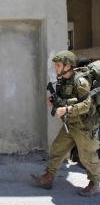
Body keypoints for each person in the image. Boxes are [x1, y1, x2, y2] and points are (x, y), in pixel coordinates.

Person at [31, 51, 100, 197]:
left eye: (58, 65)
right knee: (57, 149)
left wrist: (66, 109)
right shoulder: (63, 81)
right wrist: (54, 102)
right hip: (70, 124)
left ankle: (96, 183)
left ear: (68, 66)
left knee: (87, 157)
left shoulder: (81, 82)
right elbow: (63, 99)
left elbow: (86, 106)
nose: (56, 68)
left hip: (84, 126)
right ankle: (48, 177)